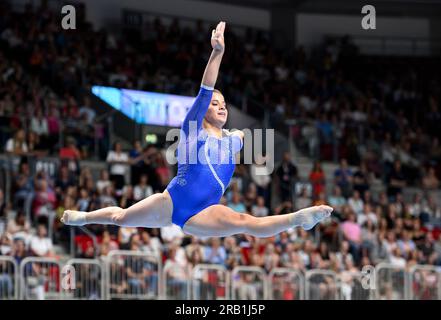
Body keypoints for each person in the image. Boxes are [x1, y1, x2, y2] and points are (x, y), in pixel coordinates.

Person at [62, 21, 332, 238]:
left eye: (224, 103)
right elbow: (204, 93)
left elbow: (237, 138)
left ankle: (299, 219)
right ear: (204, 111)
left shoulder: (234, 140)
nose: (221, 107)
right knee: (121, 218)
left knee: (245, 221)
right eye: (216, 104)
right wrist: (217, 53)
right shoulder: (193, 131)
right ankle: (83, 217)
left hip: (202, 213)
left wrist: (237, 138)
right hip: (172, 202)